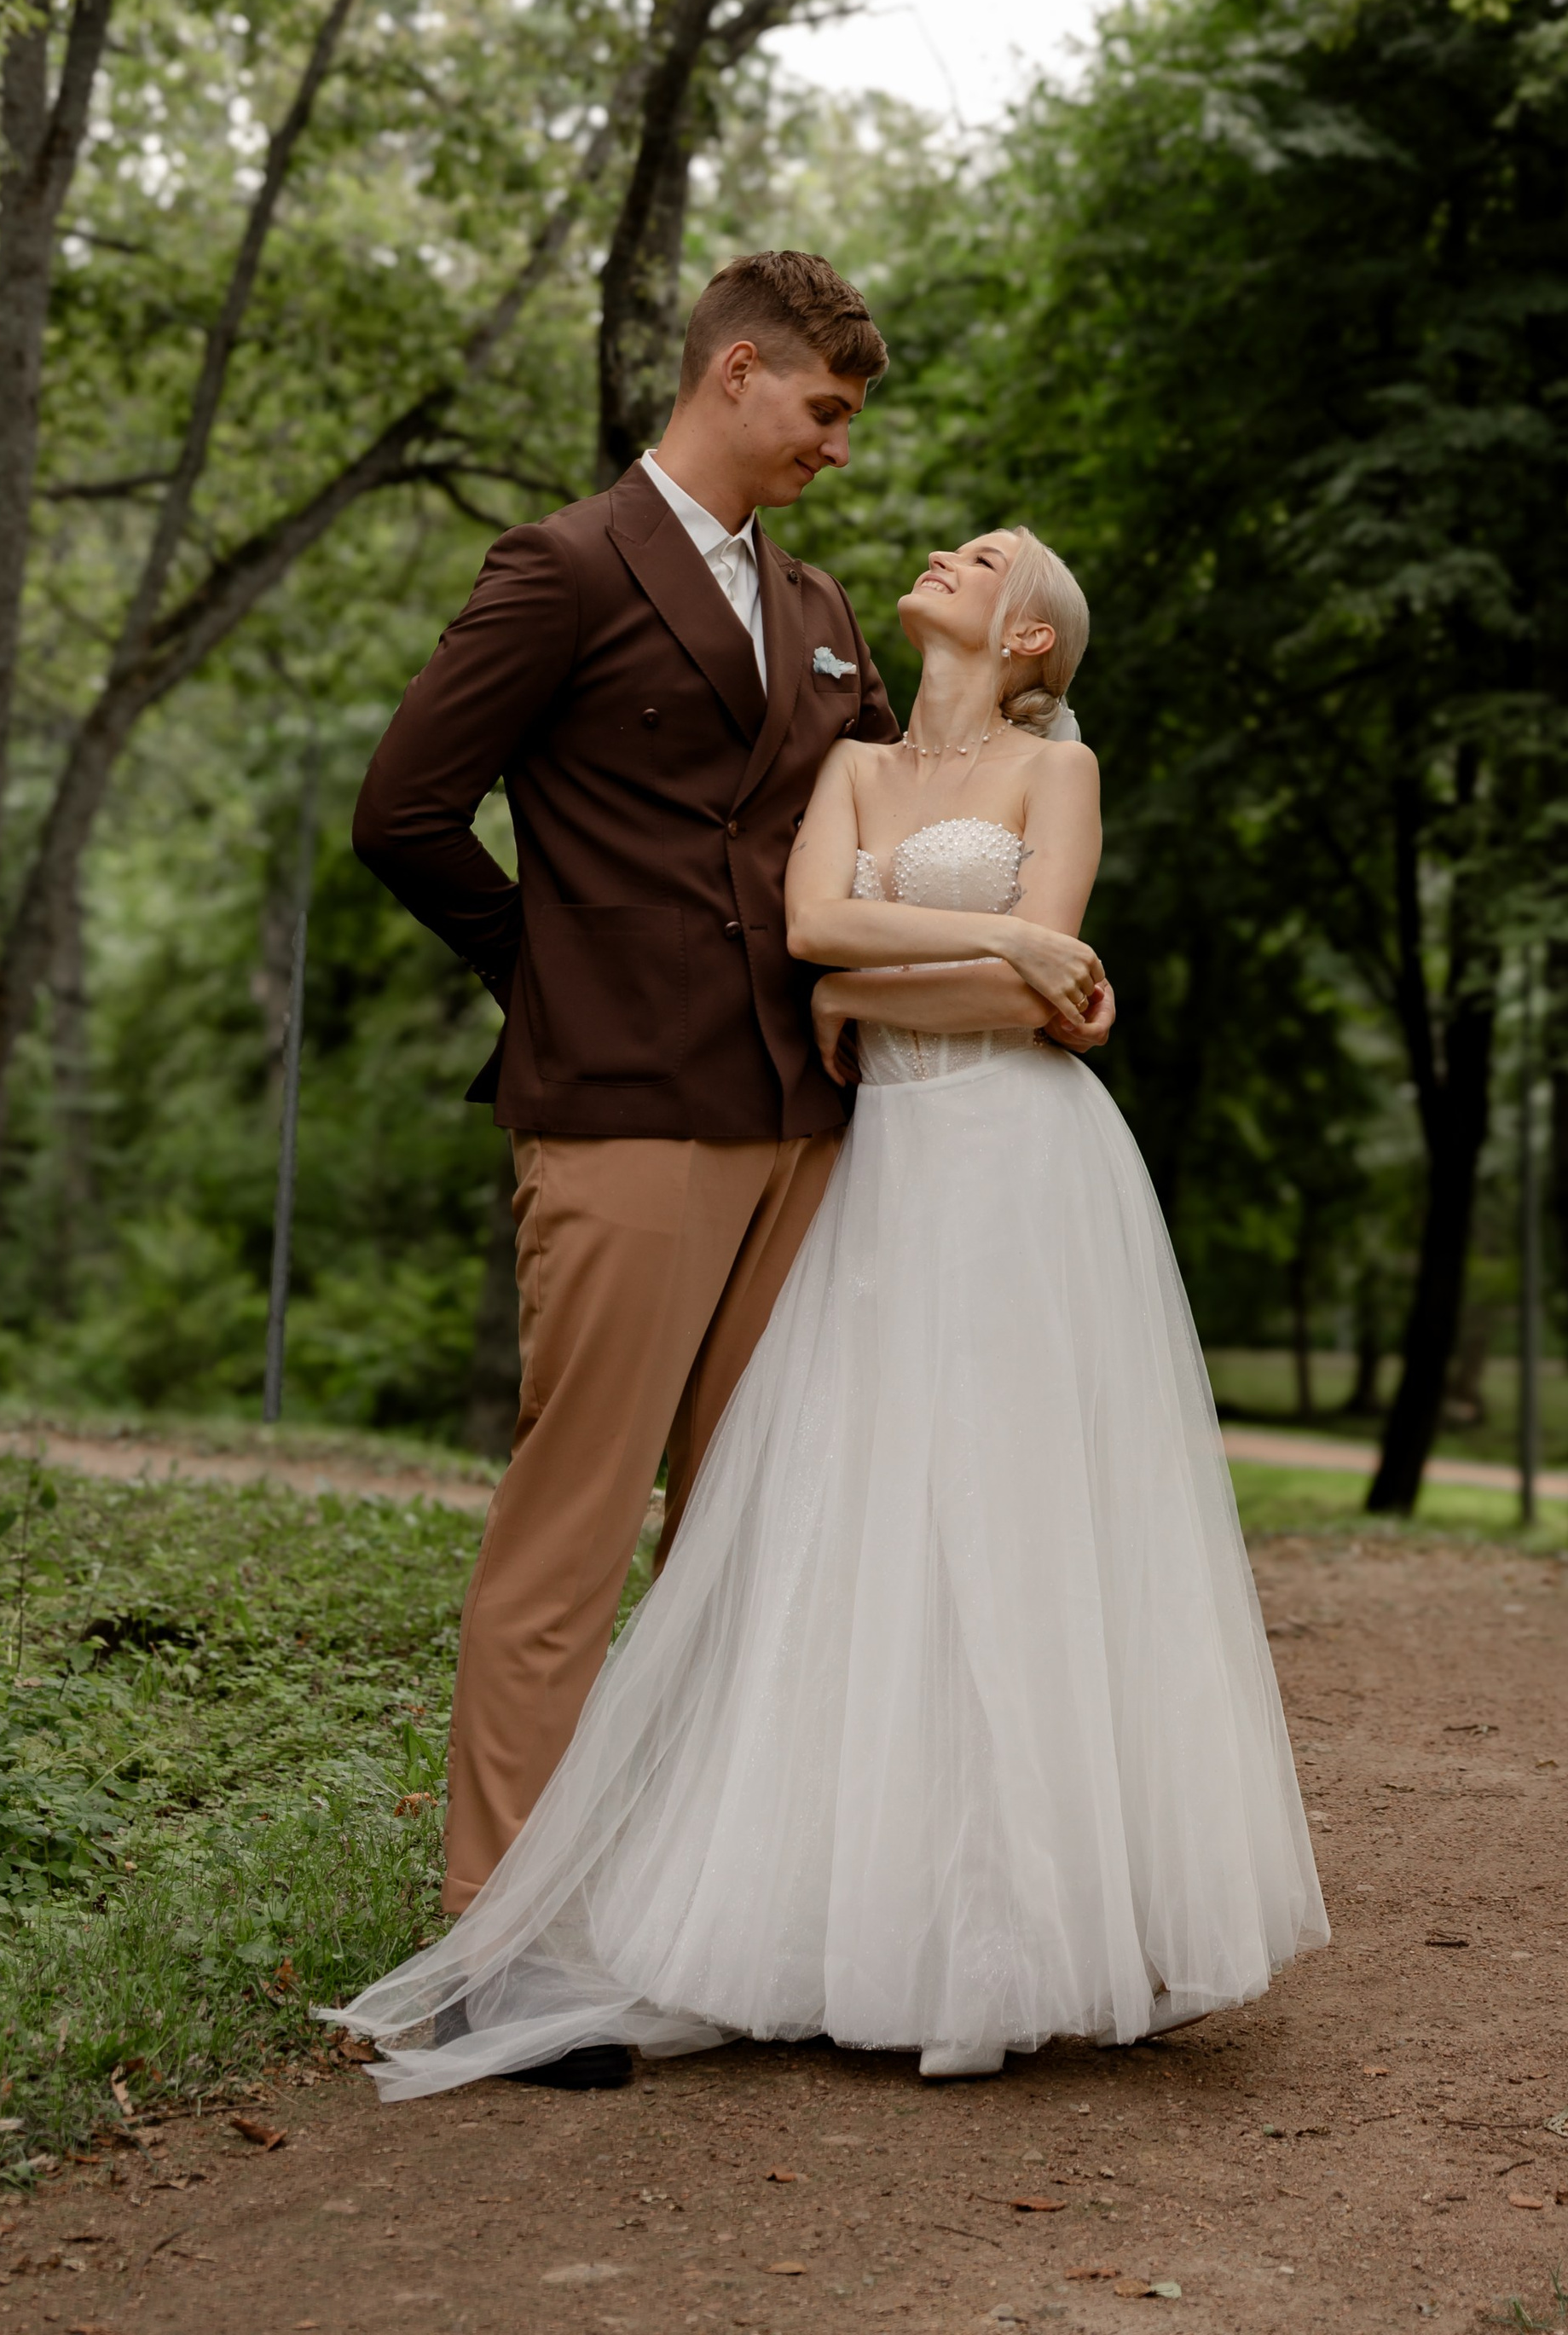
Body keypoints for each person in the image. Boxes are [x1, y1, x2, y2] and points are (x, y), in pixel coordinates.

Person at [329, 523, 1326, 2092]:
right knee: (856, 1519)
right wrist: (987, 938)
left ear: (1032, 641)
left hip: (1021, 1169)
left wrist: (901, 979)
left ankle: (1038, 1926)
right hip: (879, 1170)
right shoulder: (854, 763)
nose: (941, 553)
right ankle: (823, 1912)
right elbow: (815, 939)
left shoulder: (1057, 772)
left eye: (983, 557)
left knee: (1016, 1521)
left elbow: (1026, 1000)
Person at [350, 252, 1114, 2090]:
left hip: (813, 1126)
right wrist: (555, 970)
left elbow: (842, 852)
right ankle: (499, 1945)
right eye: (824, 416)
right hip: (621, 1116)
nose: (838, 454)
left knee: (747, 1539)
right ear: (739, 371)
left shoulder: (827, 605)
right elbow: (402, 813)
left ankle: (680, 1918)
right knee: (573, 1526)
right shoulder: (562, 569)